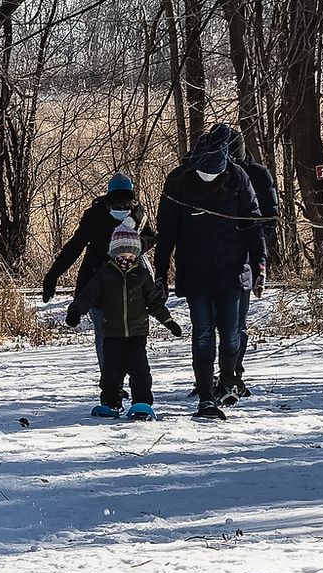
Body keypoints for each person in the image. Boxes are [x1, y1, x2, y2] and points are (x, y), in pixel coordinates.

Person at [153, 126, 265, 418]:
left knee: (231, 334)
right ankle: (205, 395)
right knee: (203, 334)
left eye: (214, 173)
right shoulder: (179, 182)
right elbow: (167, 232)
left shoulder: (239, 179)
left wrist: (260, 263)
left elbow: (252, 223)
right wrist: (161, 273)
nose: (208, 177)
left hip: (233, 272)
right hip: (196, 273)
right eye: (204, 172)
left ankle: (228, 380)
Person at [65, 221, 182, 419]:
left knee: (140, 371)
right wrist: (76, 311)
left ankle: (142, 403)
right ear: (114, 254)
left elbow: (154, 302)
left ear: (136, 255)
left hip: (137, 333)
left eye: (130, 256)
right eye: (121, 255)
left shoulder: (142, 275)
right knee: (111, 372)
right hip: (112, 333)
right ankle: (111, 402)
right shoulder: (104, 275)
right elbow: (88, 295)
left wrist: (169, 322)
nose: (125, 259)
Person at [41, 172, 157, 372]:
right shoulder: (94, 216)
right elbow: (74, 247)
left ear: (133, 201)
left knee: (131, 338)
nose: (122, 209)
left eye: (127, 205)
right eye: (117, 205)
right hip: (98, 281)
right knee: (104, 337)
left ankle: (130, 378)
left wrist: (138, 244)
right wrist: (52, 276)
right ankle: (111, 383)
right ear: (107, 201)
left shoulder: (139, 215)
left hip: (129, 286)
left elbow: (152, 237)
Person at [219, 124, 278, 400]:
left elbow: (270, 216)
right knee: (216, 322)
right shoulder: (211, 174)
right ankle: (213, 376)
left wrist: (254, 244)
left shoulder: (257, 175)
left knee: (237, 321)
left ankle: (234, 372)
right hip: (216, 255)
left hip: (245, 256)